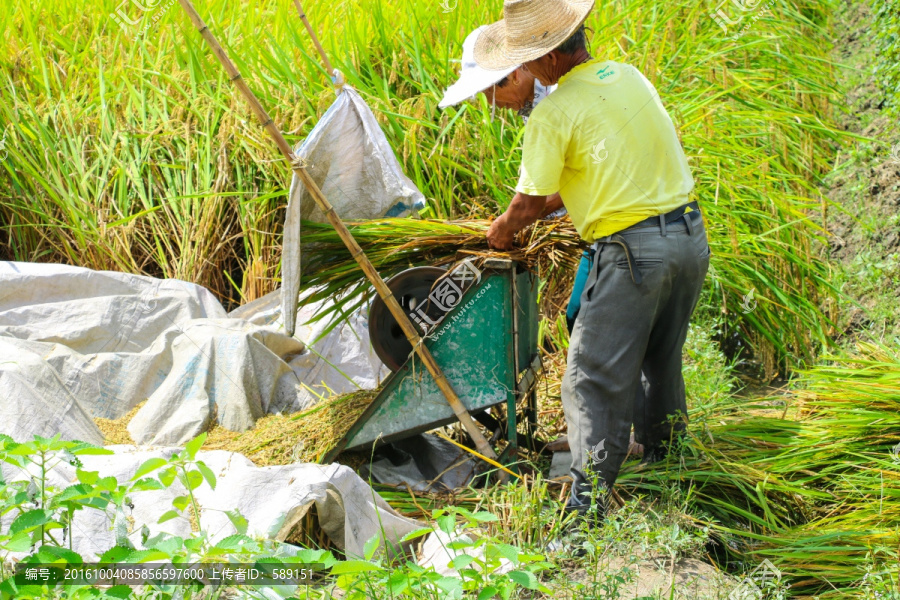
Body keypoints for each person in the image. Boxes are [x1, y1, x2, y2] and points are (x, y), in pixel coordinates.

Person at [476, 0, 709, 521]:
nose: (528, 71)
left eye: (528, 61)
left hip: (634, 255)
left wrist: (501, 233)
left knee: (589, 377)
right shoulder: (629, 77)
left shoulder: (555, 111)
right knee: (659, 359)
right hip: (688, 237)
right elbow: (596, 174)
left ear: (547, 59)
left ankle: (585, 514)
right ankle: (670, 470)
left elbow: (530, 202)